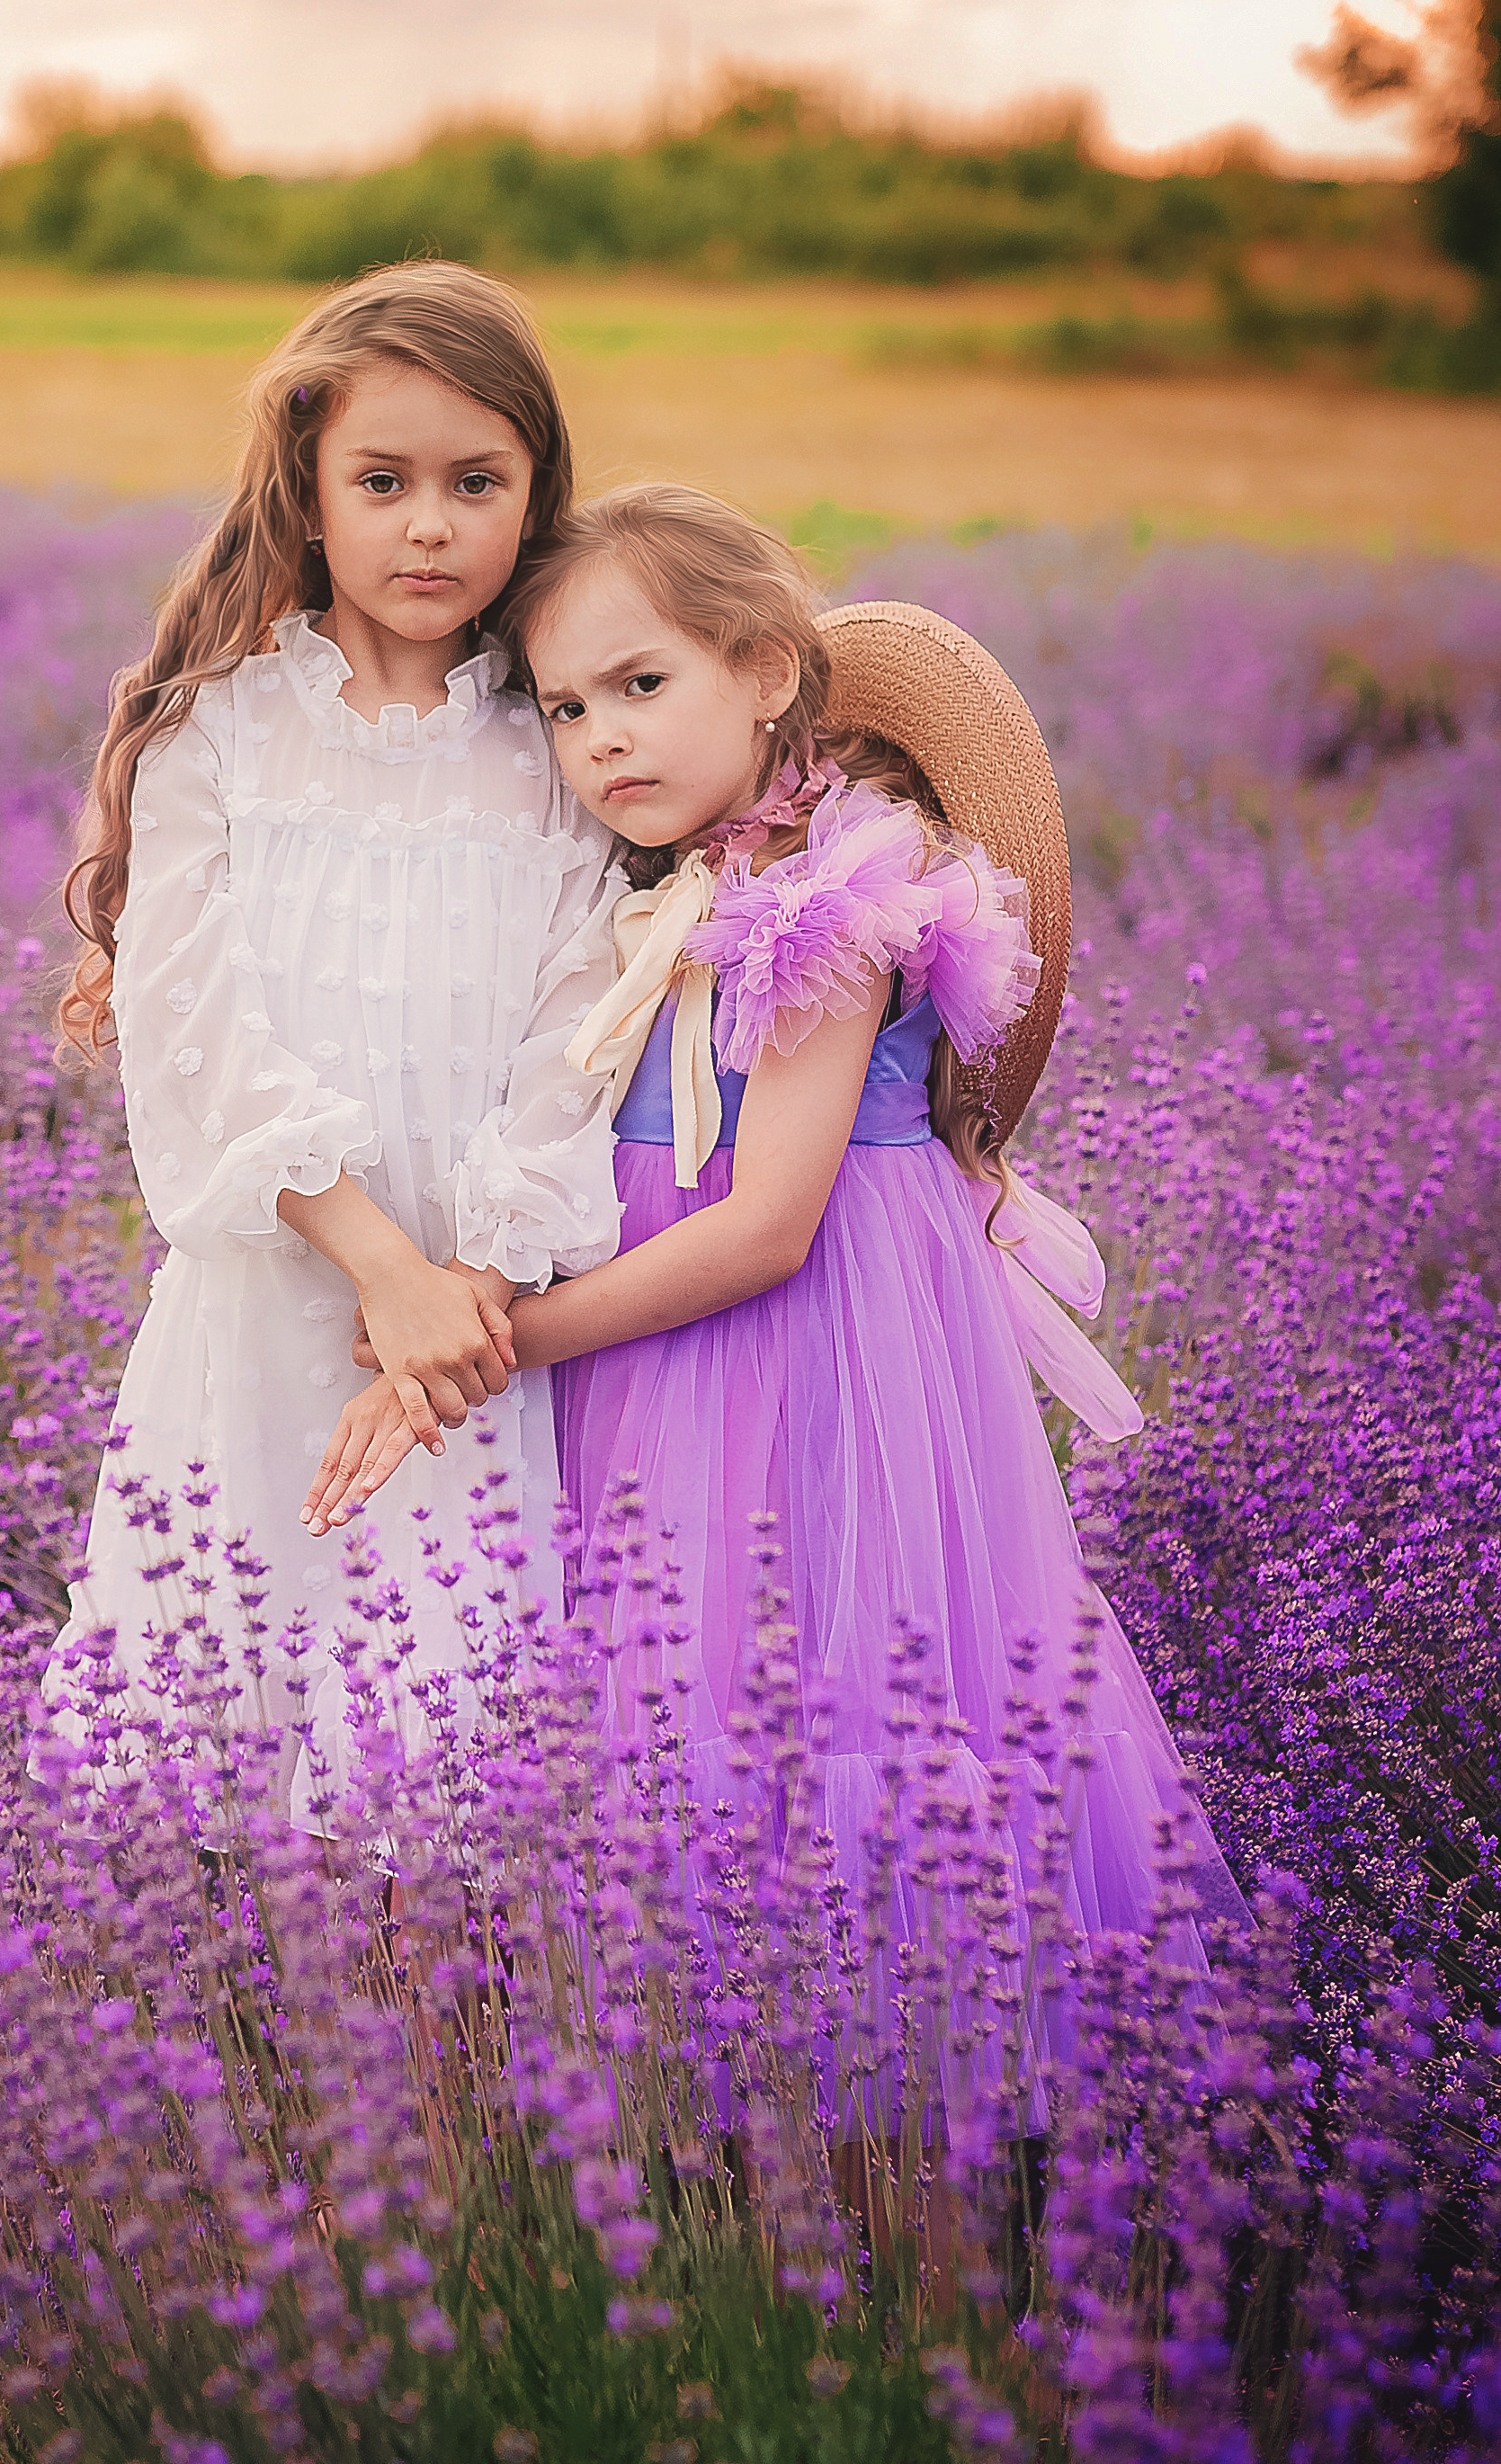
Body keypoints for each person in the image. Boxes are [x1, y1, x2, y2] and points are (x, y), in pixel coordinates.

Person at [307, 483, 1241, 1955]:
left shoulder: (830, 896)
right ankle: (721, 2141)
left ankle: (902, 2156)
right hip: (651, 1373)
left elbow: (766, 1230)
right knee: (677, 1731)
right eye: (562, 708)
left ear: (762, 674)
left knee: (841, 1718)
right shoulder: (656, 900)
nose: (600, 735)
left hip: (809, 1371)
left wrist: (502, 1341)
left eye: (640, 683)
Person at [49, 264, 624, 1815]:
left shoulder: (556, 740)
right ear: (308, 491)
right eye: (383, 482)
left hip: (463, 1350)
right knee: (210, 1741)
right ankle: (235, 2057)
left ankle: (435, 2063)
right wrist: (382, 1264)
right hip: (278, 1302)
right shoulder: (220, 728)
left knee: (434, 1787)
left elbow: (585, 1039)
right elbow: (194, 1031)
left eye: (475, 483)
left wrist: (474, 1287)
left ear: (533, 497)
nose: (428, 526)